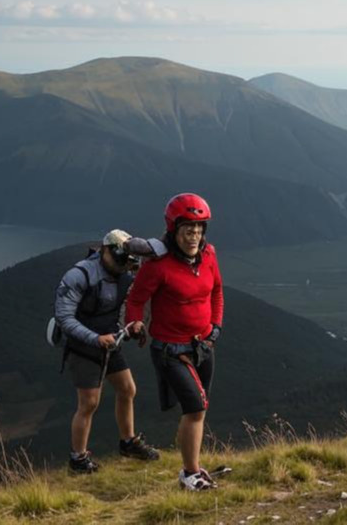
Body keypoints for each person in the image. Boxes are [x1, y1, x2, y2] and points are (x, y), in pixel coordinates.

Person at [126, 193, 224, 492]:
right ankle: (189, 473)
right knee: (195, 407)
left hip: (203, 345)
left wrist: (216, 327)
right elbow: (135, 300)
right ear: (174, 230)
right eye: (187, 230)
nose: (194, 236)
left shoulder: (209, 256)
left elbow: (217, 291)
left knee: (197, 410)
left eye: (199, 229)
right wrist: (134, 323)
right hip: (170, 349)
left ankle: (193, 466)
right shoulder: (157, 265)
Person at [54, 229, 161, 474]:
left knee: (127, 389)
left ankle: (128, 442)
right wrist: (95, 338)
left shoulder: (124, 273)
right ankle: (78, 459)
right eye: (118, 260)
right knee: (89, 402)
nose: (122, 267)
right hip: (84, 345)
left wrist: (132, 325)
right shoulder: (79, 275)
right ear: (104, 250)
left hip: (110, 341)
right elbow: (63, 317)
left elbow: (128, 304)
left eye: (127, 263)